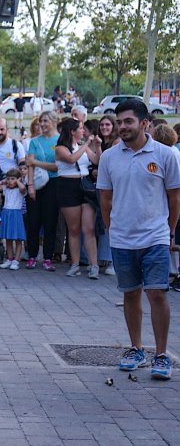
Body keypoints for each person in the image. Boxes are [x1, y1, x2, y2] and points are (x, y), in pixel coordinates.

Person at [97, 99, 180, 380]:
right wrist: (112, 230)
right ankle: (136, 348)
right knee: (131, 293)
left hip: (155, 236)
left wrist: (167, 231)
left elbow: (174, 197)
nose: (122, 127)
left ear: (145, 124)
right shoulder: (109, 156)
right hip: (122, 238)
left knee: (157, 292)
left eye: (128, 121)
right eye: (119, 122)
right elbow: (105, 199)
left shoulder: (166, 154)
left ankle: (161, 354)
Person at [56, 117, 102, 278]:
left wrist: (97, 146)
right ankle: (75, 263)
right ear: (72, 131)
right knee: (74, 229)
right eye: (81, 128)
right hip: (68, 187)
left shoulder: (81, 145)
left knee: (88, 228)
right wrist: (87, 143)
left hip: (85, 186)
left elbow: (96, 160)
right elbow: (71, 159)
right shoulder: (60, 148)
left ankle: (93, 264)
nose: (84, 131)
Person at [25, 110, 60, 271]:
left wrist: (37, 162)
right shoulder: (34, 141)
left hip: (53, 183)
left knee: (50, 221)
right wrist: (30, 185)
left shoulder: (59, 140)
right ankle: (32, 255)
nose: (43, 124)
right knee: (33, 221)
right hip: (36, 184)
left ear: (54, 121)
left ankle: (48, 257)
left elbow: (57, 166)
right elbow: (28, 163)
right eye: (41, 121)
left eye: (46, 121)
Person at [0, 168, 27, 269]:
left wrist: (18, 181)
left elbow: (23, 188)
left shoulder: (21, 189)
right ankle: (10, 258)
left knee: (18, 239)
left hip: (16, 214)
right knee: (8, 238)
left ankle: (16, 260)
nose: (10, 181)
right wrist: (3, 181)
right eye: (8, 179)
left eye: (12, 179)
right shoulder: (5, 188)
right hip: (6, 212)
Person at [0, 118, 26, 182]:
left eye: (2, 129)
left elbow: (23, 166)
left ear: (7, 130)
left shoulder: (16, 145)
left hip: (13, 187)